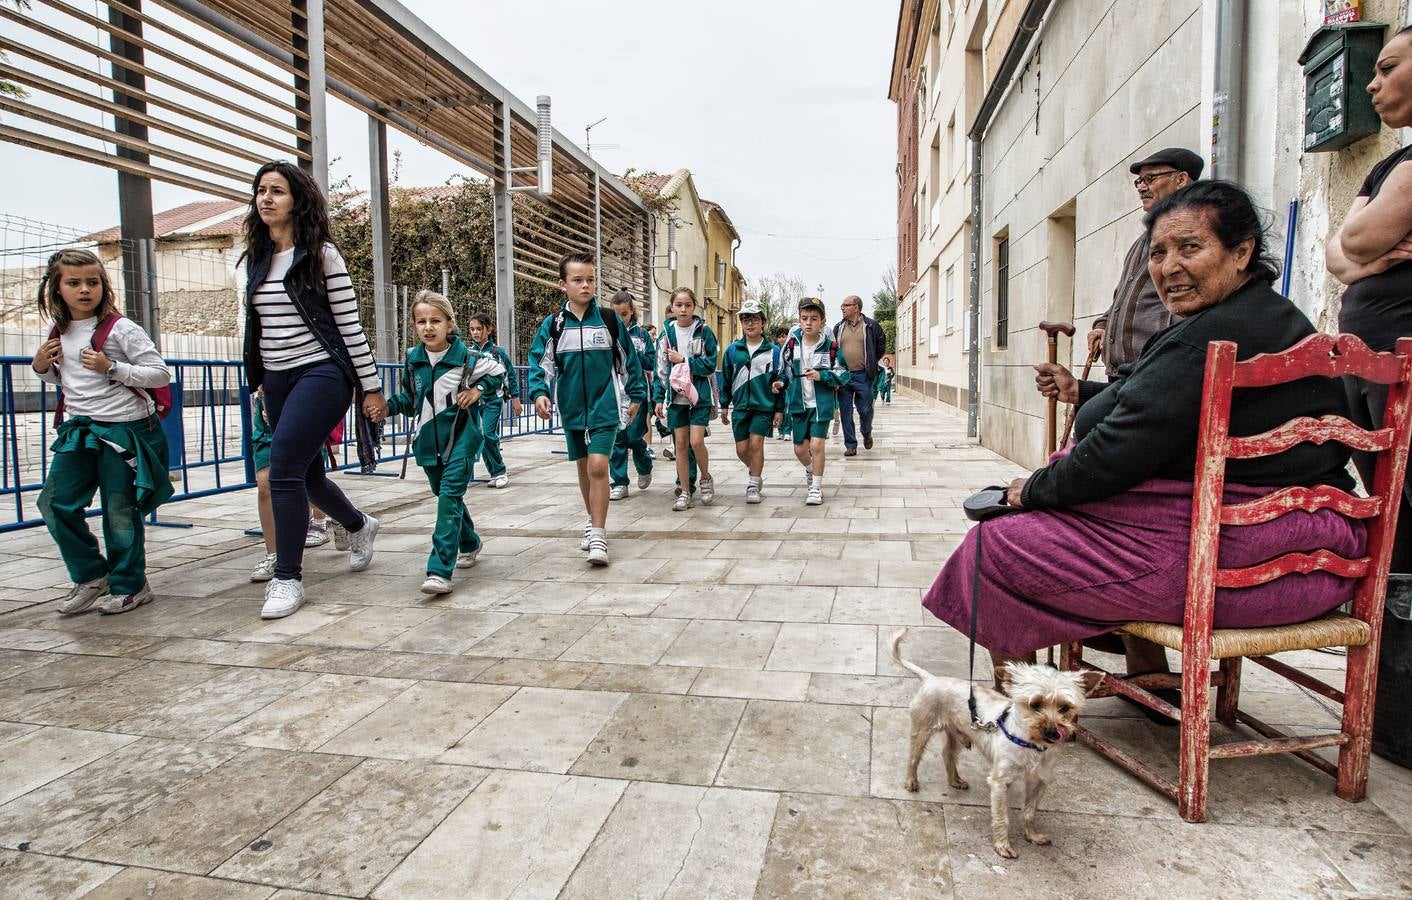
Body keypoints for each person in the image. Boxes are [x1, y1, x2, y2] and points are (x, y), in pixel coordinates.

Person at [923, 181, 1364, 695]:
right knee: (1090, 518)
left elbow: (1116, 453)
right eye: (1158, 253)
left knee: (995, 544)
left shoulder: (1208, 337)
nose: (1169, 267)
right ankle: (1150, 680)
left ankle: (1020, 714)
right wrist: (1083, 393)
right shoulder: (1275, 320)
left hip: (1237, 567)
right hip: (1322, 557)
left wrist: (1034, 489)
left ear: (1242, 252)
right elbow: (1151, 402)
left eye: (1190, 248)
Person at [241, 160, 384, 620]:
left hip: (321, 373)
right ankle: (358, 525)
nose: (266, 198)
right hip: (278, 379)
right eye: (261, 190)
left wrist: (371, 387)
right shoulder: (256, 258)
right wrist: (260, 382)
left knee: (281, 470)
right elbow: (257, 328)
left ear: (297, 201)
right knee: (305, 476)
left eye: (277, 191)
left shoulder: (322, 255)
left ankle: (288, 578)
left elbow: (349, 326)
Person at [32, 249, 172, 615]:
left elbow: (159, 373)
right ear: (56, 289)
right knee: (53, 502)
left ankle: (131, 584)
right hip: (79, 429)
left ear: (103, 286)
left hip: (124, 430)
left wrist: (113, 368)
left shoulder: (121, 328)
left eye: (92, 282)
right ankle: (92, 575)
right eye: (74, 283)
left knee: (119, 510)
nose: (84, 290)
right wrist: (41, 367)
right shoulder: (57, 331)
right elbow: (65, 380)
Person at [1327, 23, 1412, 572]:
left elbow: (1352, 240)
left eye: (1388, 68)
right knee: (1389, 496)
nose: (1370, 85)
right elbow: (1337, 256)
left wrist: (1360, 250)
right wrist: (1374, 259)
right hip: (1366, 358)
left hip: (1402, 357)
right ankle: (1396, 635)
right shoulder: (1390, 165)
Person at [375, 291, 503, 594]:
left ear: (449, 324)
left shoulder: (468, 358)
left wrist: (478, 390)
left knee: (448, 497)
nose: (428, 327)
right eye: (421, 322)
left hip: (463, 439)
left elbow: (501, 373)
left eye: (435, 321)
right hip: (428, 443)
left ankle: (439, 570)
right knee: (446, 496)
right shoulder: (412, 359)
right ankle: (470, 542)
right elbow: (410, 399)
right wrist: (387, 408)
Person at [527, 251, 645, 565]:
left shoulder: (608, 320)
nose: (585, 285)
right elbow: (540, 363)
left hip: (605, 405)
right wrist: (539, 392)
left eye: (590, 279)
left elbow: (628, 361)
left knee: (597, 467)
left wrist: (635, 395)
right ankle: (592, 520)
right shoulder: (554, 325)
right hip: (572, 409)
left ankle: (599, 536)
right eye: (577, 280)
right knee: (583, 468)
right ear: (563, 284)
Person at [1087, 147, 1203, 380]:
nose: (1141, 187)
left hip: (1156, 372)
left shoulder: (1194, 236)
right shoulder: (1144, 240)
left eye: (1150, 179)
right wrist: (1103, 324)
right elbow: (1123, 295)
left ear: (1181, 179)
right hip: (1124, 373)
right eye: (1139, 181)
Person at [775, 298, 848, 506]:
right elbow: (785, 371)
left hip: (821, 405)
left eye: (814, 319)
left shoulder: (831, 347)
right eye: (804, 318)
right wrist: (780, 383)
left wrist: (822, 376)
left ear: (823, 322)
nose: (809, 323)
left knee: (816, 445)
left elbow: (843, 374)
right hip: (798, 404)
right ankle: (810, 469)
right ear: (799, 320)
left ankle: (816, 488)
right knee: (800, 449)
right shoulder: (791, 344)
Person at [654, 287, 717, 511]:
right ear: (672, 307)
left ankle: (706, 478)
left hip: (699, 396)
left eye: (688, 305)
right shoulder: (666, 334)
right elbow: (660, 369)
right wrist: (658, 398)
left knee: (696, 441)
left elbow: (710, 364)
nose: (683, 309)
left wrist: (684, 360)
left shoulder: (704, 331)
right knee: (680, 444)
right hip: (675, 398)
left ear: (694, 307)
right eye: (678, 305)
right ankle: (685, 491)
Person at [720, 300, 783, 504]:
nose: (750, 324)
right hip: (740, 407)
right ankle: (755, 470)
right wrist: (723, 405)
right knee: (742, 449)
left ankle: (753, 484)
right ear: (741, 323)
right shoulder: (732, 351)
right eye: (746, 319)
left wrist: (779, 410)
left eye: (755, 319)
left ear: (763, 323)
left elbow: (780, 380)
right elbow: (727, 380)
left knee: (756, 445)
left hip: (763, 406)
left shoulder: (773, 352)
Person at [466, 312, 521, 489]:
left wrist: (515, 399)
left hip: (492, 400)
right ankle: (493, 473)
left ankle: (500, 471)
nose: (475, 333)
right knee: (478, 437)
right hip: (473, 402)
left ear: (488, 329)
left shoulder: (498, 353)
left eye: (479, 329)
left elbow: (510, 375)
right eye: (472, 329)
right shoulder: (468, 352)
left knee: (488, 434)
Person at [608, 290, 654, 501]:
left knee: (635, 438)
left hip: (637, 393)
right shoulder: (606, 334)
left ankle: (644, 465)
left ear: (632, 312)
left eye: (624, 314)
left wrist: (632, 354)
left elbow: (651, 362)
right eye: (616, 315)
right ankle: (619, 482)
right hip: (613, 394)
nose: (620, 319)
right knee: (617, 439)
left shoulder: (642, 335)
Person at [832, 294, 887, 456]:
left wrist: (871, 361)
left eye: (845, 305)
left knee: (865, 410)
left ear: (856, 307)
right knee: (846, 412)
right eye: (842, 305)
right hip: (843, 376)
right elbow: (833, 350)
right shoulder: (838, 327)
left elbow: (880, 346)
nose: (842, 308)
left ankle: (866, 432)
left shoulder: (871, 325)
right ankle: (850, 445)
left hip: (863, 375)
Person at [773, 324, 793, 440]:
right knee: (778, 408)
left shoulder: (791, 349)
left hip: (789, 383)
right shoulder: (775, 351)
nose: (782, 339)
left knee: (787, 408)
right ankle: (780, 430)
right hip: (777, 382)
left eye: (784, 336)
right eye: (779, 337)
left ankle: (787, 431)